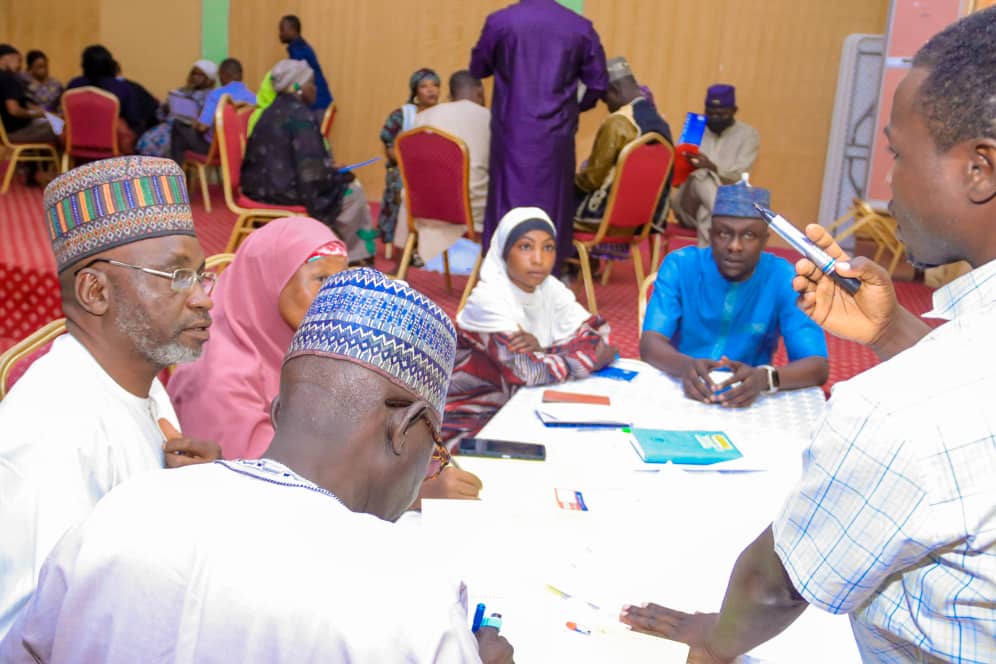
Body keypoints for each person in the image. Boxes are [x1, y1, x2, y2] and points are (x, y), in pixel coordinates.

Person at [621, 8, 996, 662]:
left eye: (898, 155)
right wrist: (892, 329)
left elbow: (773, 586)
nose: (888, 181)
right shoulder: (950, 375)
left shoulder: (897, 412)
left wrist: (713, 636)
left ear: (979, 168)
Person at [0, 268, 515, 664]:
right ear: (406, 428)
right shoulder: (411, 598)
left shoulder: (119, 514)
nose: (429, 470)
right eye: (436, 451)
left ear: (278, 409)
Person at [0, 156, 222, 640]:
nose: (204, 298)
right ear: (95, 291)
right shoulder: (51, 433)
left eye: (201, 276)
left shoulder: (145, 381)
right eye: (176, 276)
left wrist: (199, 493)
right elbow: (31, 635)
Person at [168, 217, 349, 459]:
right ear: (269, 279)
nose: (340, 296)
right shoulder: (219, 379)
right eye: (322, 279)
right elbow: (272, 473)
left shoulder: (304, 347)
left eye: (343, 281)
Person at [641, 180, 828, 407]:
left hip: (750, 397)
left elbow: (817, 365)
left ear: (764, 241)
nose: (735, 246)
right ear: (710, 235)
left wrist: (765, 378)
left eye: (749, 235)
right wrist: (686, 366)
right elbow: (650, 344)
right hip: (681, 388)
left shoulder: (784, 278)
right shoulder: (680, 266)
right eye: (723, 233)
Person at [446, 207, 616, 440]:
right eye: (526, 247)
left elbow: (601, 337)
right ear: (504, 251)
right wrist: (583, 358)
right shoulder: (488, 298)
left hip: (524, 410)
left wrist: (543, 351)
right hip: (471, 425)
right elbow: (527, 371)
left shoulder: (550, 288)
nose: (538, 259)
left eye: (548, 248)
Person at [470, 0, 608, 270]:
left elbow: (478, 68)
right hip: (556, 136)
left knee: (506, 204)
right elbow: (598, 84)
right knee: (551, 206)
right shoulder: (579, 27)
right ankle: (547, 275)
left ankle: (500, 274)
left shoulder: (501, 21)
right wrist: (574, 108)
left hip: (511, 132)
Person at [241, 59, 374, 264]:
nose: (315, 89)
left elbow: (290, 159)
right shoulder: (300, 115)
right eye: (311, 83)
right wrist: (336, 173)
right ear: (297, 86)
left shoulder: (269, 111)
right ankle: (350, 259)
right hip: (283, 193)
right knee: (352, 191)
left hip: (257, 188)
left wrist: (327, 168)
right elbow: (310, 175)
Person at [574, 56, 673, 263]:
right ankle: (585, 264)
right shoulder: (660, 124)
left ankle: (568, 265)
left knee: (554, 199)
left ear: (614, 91)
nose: (607, 105)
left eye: (605, 99)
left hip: (604, 218)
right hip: (642, 220)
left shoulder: (620, 122)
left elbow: (592, 179)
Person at [408, 69, 491, 263]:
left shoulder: (423, 117)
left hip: (424, 207)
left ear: (450, 94)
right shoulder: (491, 119)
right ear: (480, 91)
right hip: (470, 209)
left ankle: (403, 258)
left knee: (410, 188)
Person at [671, 84, 760, 246]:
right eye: (710, 113)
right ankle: (723, 215)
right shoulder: (695, 129)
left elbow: (740, 177)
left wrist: (713, 168)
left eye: (720, 114)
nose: (714, 118)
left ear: (734, 110)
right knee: (702, 175)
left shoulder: (748, 135)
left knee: (707, 213)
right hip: (688, 206)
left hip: (723, 202)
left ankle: (708, 260)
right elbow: (676, 182)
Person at [378, 68, 440, 254]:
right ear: (415, 91)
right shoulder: (403, 115)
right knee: (403, 185)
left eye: (435, 85)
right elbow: (390, 149)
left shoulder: (443, 114)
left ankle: (431, 245)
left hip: (435, 170)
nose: (431, 90)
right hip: (404, 169)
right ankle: (400, 245)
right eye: (424, 86)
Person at [170, 57, 255, 164]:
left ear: (223, 75)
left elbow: (203, 127)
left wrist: (195, 124)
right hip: (242, 150)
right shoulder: (253, 98)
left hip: (216, 150)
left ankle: (176, 171)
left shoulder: (217, 95)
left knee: (177, 126)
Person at [65, 45, 148, 151]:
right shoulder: (123, 88)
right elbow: (134, 120)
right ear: (110, 64)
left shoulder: (73, 85)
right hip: (112, 147)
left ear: (83, 65)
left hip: (75, 145)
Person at [136, 59, 217, 158]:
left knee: (165, 145)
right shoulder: (181, 91)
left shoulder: (211, 96)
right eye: (194, 74)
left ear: (209, 79)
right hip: (168, 126)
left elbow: (206, 121)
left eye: (200, 75)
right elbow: (160, 115)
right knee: (147, 140)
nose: (195, 77)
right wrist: (167, 108)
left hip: (188, 130)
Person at [0, 44, 56, 187]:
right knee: (60, 127)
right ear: (7, 58)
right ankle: (55, 175)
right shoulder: (8, 79)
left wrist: (39, 112)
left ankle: (32, 172)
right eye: (18, 60)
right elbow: (14, 110)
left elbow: (23, 103)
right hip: (18, 131)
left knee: (46, 126)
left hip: (5, 131)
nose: (20, 65)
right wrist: (35, 114)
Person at [279, 14, 333, 123]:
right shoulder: (300, 47)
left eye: (282, 30)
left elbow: (298, 84)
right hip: (320, 102)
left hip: (316, 106)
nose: (280, 34)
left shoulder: (299, 53)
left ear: (292, 30)